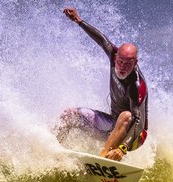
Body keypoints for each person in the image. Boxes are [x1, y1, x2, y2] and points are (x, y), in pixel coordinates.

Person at [60, 7, 148, 161]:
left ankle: (102, 161)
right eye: (120, 62)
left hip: (133, 136)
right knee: (70, 115)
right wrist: (79, 21)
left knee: (126, 115)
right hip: (111, 127)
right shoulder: (113, 55)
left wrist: (123, 148)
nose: (122, 67)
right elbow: (102, 40)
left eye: (128, 64)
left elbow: (138, 122)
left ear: (135, 63)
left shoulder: (136, 85)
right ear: (115, 58)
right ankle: (54, 150)